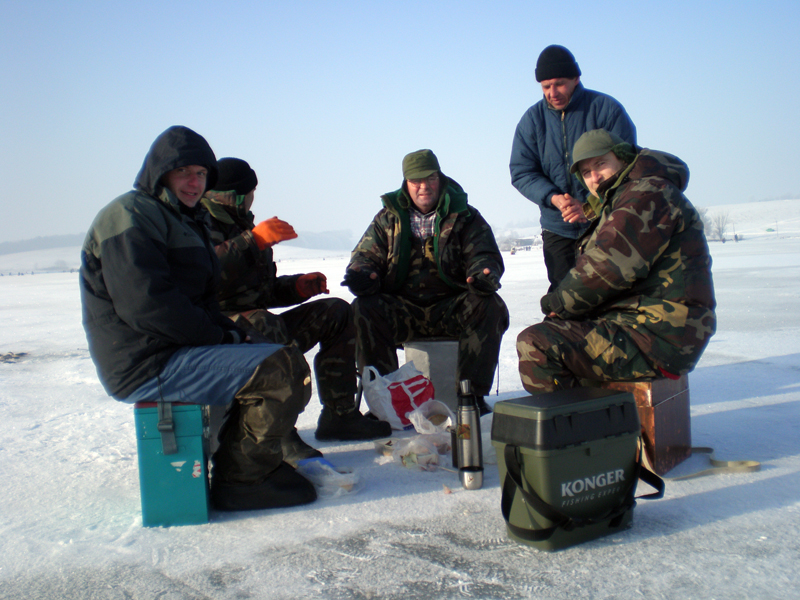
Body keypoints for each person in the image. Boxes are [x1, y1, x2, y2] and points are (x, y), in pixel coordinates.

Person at [80, 126, 317, 512]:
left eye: (201, 174)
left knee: (278, 355)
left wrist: (232, 333)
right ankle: (242, 480)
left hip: (176, 349)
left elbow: (203, 301)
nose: (194, 183)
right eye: (184, 172)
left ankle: (250, 463)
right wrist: (223, 338)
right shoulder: (129, 216)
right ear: (160, 173)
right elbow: (148, 307)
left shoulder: (184, 220)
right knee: (277, 369)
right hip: (147, 361)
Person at [199, 157, 391, 463]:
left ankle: (339, 416)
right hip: (216, 330)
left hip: (253, 323)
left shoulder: (242, 225)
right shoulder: (197, 222)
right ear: (237, 195)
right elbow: (203, 272)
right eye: (251, 193)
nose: (253, 199)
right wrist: (252, 241)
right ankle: (279, 433)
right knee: (262, 323)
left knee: (337, 311)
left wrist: (296, 287)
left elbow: (258, 291)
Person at [517, 129, 716, 393]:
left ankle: (586, 420)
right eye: (586, 172)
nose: (594, 177)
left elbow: (607, 266)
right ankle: (597, 411)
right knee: (561, 332)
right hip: (642, 325)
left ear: (622, 159)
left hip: (659, 335)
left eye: (601, 164)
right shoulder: (624, 197)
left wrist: (556, 304)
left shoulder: (646, 193)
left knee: (537, 344)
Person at [343, 149, 509, 412]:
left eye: (430, 178)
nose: (424, 187)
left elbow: (483, 254)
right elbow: (365, 255)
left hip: (451, 308)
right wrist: (363, 274)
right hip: (404, 309)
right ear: (406, 183)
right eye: (416, 181)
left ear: (440, 178)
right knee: (364, 308)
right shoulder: (387, 218)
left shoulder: (465, 215)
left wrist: (483, 273)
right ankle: (385, 402)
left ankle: (471, 397)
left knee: (489, 305)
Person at [510, 44, 637, 291]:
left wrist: (590, 205)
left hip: (605, 222)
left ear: (576, 78)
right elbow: (522, 171)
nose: (553, 92)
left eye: (559, 84)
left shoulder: (606, 109)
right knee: (564, 296)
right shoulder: (531, 121)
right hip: (557, 228)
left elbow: (628, 164)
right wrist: (554, 198)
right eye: (546, 86)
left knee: (611, 293)